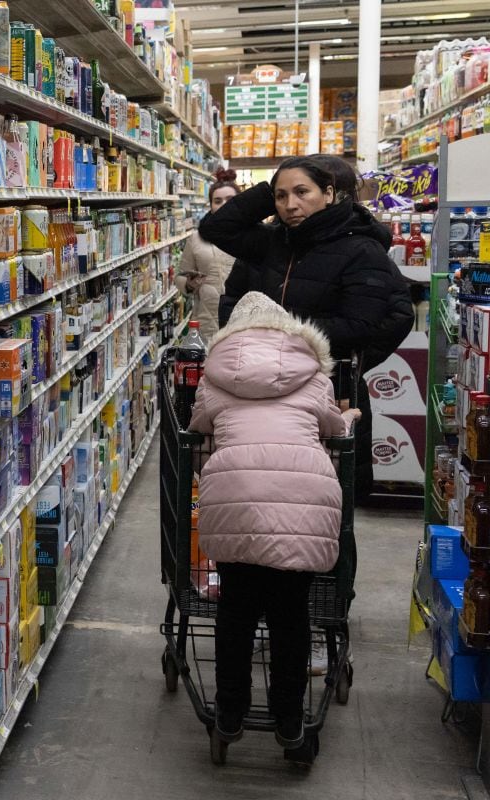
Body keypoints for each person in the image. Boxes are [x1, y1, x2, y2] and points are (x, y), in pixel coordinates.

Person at [188, 291, 360, 753]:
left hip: (235, 500)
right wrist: (347, 419)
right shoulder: (315, 377)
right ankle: (289, 721)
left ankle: (228, 715)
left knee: (236, 613)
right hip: (303, 502)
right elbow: (332, 428)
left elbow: (198, 426)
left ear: (231, 338)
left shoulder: (214, 378)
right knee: (290, 615)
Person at [201, 155, 412, 501]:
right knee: (259, 494)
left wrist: (347, 362)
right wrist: (270, 192)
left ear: (330, 193)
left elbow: (362, 325)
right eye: (281, 196)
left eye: (302, 192)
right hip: (258, 391)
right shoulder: (271, 241)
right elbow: (215, 229)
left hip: (328, 397)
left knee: (326, 506)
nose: (290, 205)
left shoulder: (361, 249)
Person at [174, 169, 239, 340]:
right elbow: (180, 276)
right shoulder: (197, 238)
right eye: (218, 201)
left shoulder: (257, 236)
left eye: (230, 200)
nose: (224, 204)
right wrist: (189, 284)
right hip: (208, 322)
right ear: (211, 206)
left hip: (245, 320)